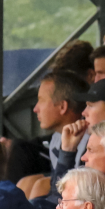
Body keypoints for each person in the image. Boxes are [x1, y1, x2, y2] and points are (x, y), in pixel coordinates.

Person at [25, 70, 89, 201]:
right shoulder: (56, 138)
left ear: (62, 106)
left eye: (41, 101)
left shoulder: (91, 140)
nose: (35, 108)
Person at [52, 78, 105, 184]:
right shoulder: (90, 140)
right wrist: (68, 151)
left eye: (90, 106)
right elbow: (61, 195)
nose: (84, 113)